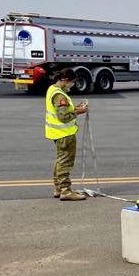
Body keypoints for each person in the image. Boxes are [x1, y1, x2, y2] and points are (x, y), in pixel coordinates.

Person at [45, 68, 89, 200]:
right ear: (65, 80)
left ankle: (58, 188)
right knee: (65, 162)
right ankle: (66, 190)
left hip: (57, 133)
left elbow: (63, 110)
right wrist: (79, 112)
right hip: (64, 134)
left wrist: (75, 108)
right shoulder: (60, 95)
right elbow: (63, 116)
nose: (72, 85)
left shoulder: (53, 89)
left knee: (60, 161)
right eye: (72, 82)